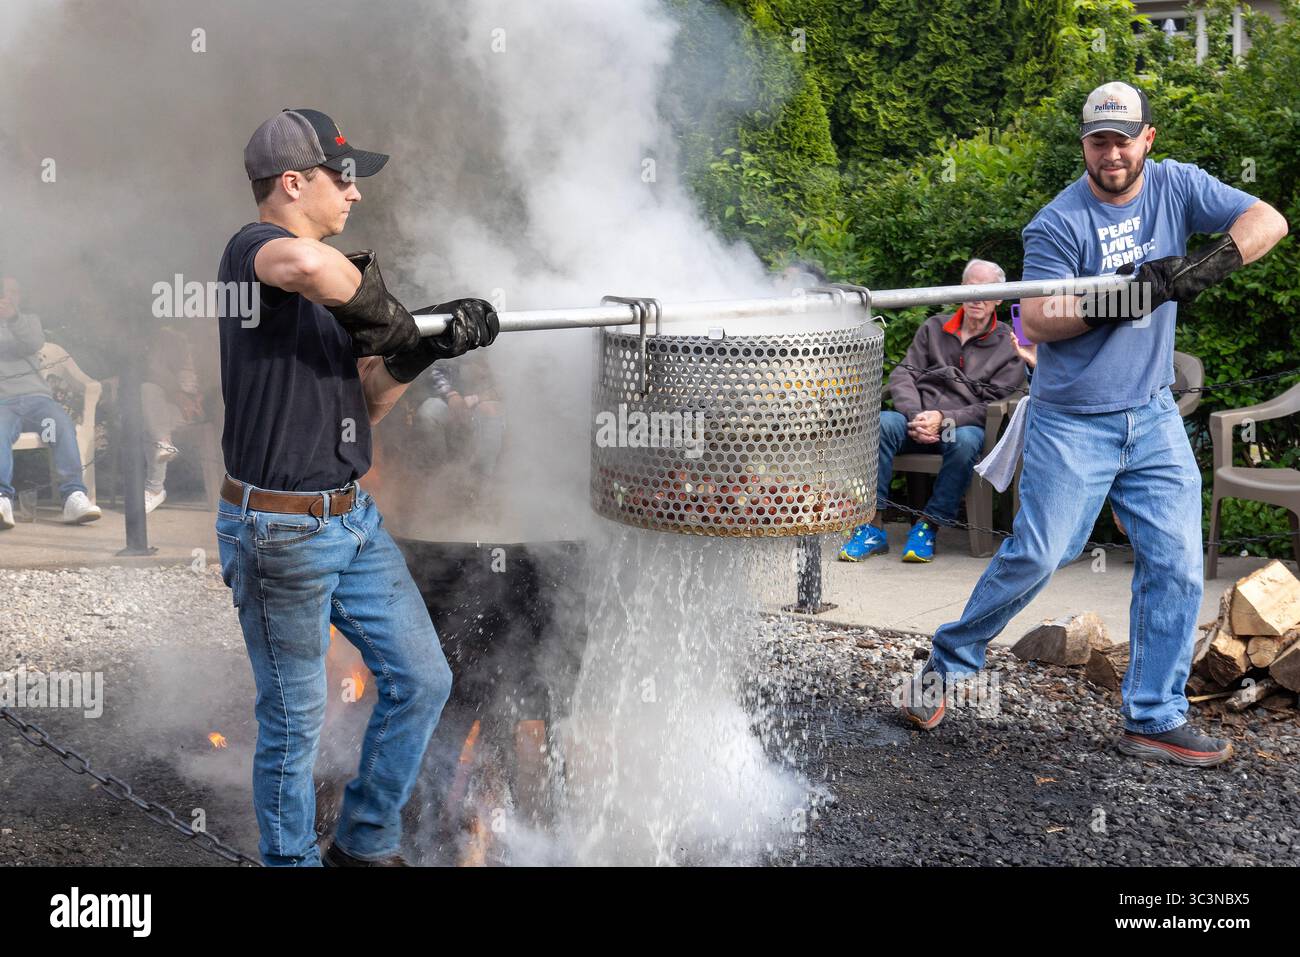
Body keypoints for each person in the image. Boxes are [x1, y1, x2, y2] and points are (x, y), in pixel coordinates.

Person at [901, 82, 1288, 767]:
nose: (1111, 153)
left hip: (1152, 414)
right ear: (1084, 144)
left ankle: (1153, 716)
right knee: (1038, 556)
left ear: (1148, 138)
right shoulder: (1057, 221)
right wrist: (1132, 293)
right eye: (1097, 140)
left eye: (1123, 138)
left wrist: (1206, 263)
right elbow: (1042, 318)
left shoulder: (1175, 186)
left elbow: (1269, 219)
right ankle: (942, 662)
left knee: (1173, 561)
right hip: (1071, 421)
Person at [215, 108, 499, 866]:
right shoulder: (254, 254)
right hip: (278, 528)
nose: (355, 193)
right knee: (294, 720)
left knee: (422, 678)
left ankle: (364, 845)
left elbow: (368, 399)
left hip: (351, 519)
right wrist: (396, 318)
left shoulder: (327, 296)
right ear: (292, 182)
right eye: (342, 177)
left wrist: (422, 350)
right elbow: (309, 268)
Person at [840, 259, 1027, 562]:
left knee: (965, 440)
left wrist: (944, 419)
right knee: (883, 423)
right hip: (916, 420)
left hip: (958, 428)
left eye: (986, 290)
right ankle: (871, 525)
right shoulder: (934, 327)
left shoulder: (1009, 343)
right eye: (970, 288)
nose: (976, 297)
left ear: (998, 298)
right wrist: (916, 415)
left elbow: (996, 402)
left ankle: (929, 525)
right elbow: (903, 374)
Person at [0, 275, 101, 528]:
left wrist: (12, 318)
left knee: (60, 425)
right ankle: (2, 499)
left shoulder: (29, 322)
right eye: (4, 292)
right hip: (3, 403)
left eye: (14, 292)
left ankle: (73, 497)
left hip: (37, 400)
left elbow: (33, 342)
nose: (9, 297)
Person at [140, 325, 207, 512]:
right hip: (170, 405)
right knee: (147, 391)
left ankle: (154, 489)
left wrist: (200, 399)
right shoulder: (167, 338)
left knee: (151, 423)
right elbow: (155, 372)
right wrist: (177, 394)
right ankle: (163, 441)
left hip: (203, 407)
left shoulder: (213, 337)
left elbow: (219, 378)